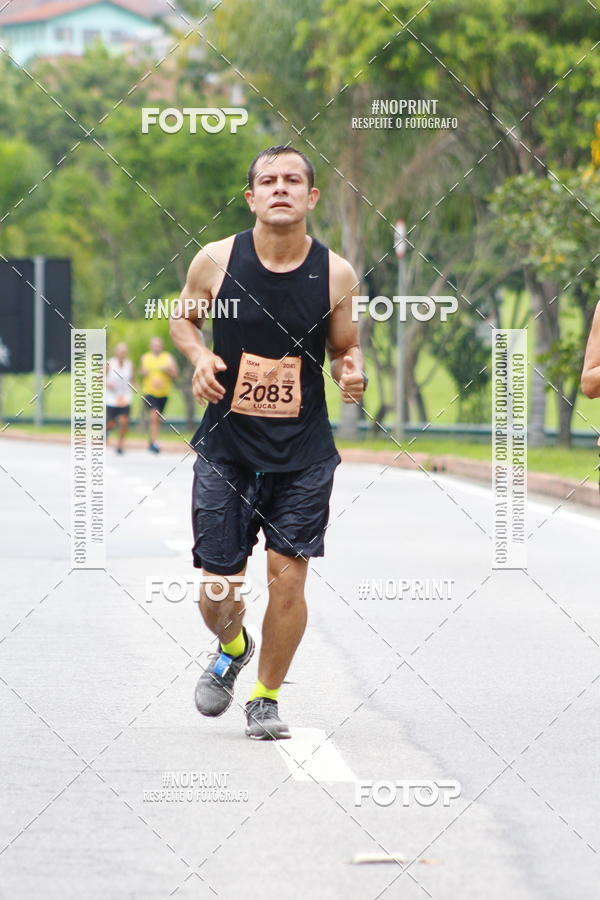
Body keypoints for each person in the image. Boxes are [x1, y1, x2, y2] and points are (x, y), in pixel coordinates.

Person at [169, 145, 366, 740]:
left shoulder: (336, 273)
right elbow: (183, 318)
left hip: (303, 454)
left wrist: (351, 370)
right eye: (269, 180)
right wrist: (199, 356)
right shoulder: (215, 259)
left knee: (289, 577)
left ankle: (265, 698)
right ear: (251, 197)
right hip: (227, 450)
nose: (281, 188)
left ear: (311, 197)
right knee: (217, 589)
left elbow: (345, 346)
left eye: (293, 180)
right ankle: (233, 646)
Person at [140, 336, 179, 453]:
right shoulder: (145, 358)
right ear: (150, 346)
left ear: (162, 346)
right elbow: (141, 372)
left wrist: (168, 370)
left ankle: (151, 441)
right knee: (154, 416)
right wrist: (143, 372)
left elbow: (175, 374)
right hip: (149, 392)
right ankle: (154, 444)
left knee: (157, 419)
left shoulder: (168, 358)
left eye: (158, 345)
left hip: (164, 393)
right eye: (154, 345)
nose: (156, 347)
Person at [106, 342, 134, 455]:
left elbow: (133, 379)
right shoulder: (109, 363)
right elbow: (99, 377)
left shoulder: (129, 365)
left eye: (124, 352)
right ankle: (107, 431)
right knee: (111, 423)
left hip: (124, 398)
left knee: (124, 421)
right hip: (111, 399)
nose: (122, 354)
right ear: (116, 352)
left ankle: (120, 445)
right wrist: (107, 384)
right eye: (120, 351)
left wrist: (134, 387)